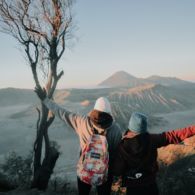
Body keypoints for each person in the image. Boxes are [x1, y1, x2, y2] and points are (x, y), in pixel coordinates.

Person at [34, 87, 122, 195]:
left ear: (94, 110)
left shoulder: (82, 122)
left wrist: (45, 99)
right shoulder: (115, 130)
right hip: (104, 172)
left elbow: (61, 112)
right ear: (109, 112)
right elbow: (115, 155)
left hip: (85, 169)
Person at [112, 112, 195, 195]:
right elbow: (173, 136)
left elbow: (117, 171)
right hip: (150, 186)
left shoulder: (122, 147)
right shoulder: (152, 139)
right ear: (144, 128)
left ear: (130, 127)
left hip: (131, 188)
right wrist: (193, 129)